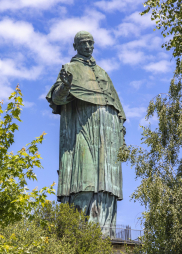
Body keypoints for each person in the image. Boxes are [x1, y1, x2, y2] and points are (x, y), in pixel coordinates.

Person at [46, 31, 126, 233]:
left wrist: (119, 132)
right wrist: (65, 86)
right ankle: (78, 231)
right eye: (83, 43)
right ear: (75, 46)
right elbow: (57, 98)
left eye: (91, 42)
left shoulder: (102, 72)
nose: (88, 46)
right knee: (84, 182)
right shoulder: (69, 69)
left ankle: (104, 232)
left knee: (107, 186)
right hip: (82, 130)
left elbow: (116, 105)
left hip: (108, 137)